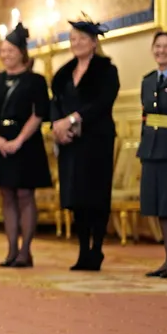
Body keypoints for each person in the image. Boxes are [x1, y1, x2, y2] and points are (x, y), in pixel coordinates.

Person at [0, 23, 52, 267]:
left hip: (26, 143)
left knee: (24, 194)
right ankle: (11, 250)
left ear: (21, 52)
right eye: (3, 51)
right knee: (6, 195)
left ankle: (26, 250)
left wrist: (19, 140)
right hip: (1, 142)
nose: (6, 55)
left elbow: (39, 114)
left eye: (10, 50)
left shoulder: (36, 81)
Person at [51, 19, 119, 272]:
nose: (76, 43)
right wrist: (58, 126)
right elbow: (55, 102)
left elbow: (103, 102)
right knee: (76, 197)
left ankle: (97, 249)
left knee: (96, 195)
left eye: (81, 38)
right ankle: (82, 251)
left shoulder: (106, 70)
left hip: (96, 139)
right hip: (70, 143)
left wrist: (73, 119)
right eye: (72, 39)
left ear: (93, 42)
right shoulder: (64, 73)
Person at [137, 31, 167, 278]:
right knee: (161, 206)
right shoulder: (147, 80)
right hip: (152, 149)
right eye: (157, 46)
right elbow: (146, 117)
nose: (162, 51)